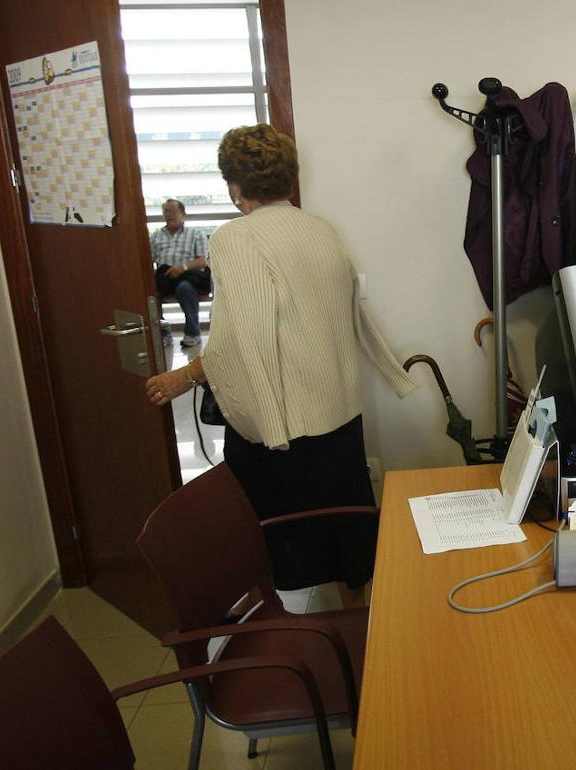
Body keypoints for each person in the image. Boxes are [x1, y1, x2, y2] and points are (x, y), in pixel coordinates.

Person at [143, 124, 417, 607]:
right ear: (288, 179)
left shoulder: (236, 239)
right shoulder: (319, 228)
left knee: (269, 528)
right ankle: (362, 631)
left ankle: (277, 623)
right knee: (346, 529)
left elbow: (238, 340)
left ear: (234, 186)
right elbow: (347, 311)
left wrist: (182, 377)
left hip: (287, 424)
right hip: (336, 409)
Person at [150, 198, 211, 348]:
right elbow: (148, 261)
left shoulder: (196, 234)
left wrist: (182, 267)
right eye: (166, 211)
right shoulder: (156, 236)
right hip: (165, 277)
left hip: (189, 275)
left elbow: (203, 261)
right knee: (151, 294)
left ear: (183, 214)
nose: (169, 215)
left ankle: (192, 333)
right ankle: (163, 332)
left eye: (174, 211)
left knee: (185, 289)